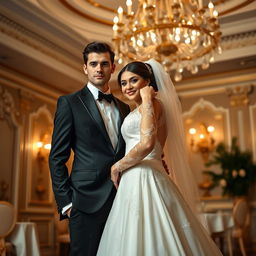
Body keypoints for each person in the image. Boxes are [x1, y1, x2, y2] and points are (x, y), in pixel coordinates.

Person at [96, 60, 223, 256]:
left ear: (147, 81)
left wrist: (116, 167)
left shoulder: (153, 103)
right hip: (135, 177)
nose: (127, 87)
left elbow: (147, 144)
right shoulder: (138, 109)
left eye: (133, 80)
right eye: (123, 83)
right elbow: (157, 148)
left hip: (144, 176)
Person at [49, 41, 130, 256]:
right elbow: (56, 157)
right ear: (85, 68)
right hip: (84, 201)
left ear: (113, 68)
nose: (99, 69)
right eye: (93, 64)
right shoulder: (69, 103)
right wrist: (66, 203)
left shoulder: (124, 107)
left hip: (122, 198)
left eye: (104, 64)